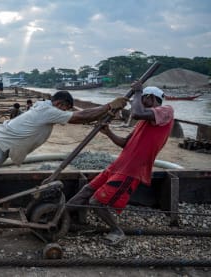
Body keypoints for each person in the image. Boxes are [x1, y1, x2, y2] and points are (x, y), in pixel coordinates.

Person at [0, 91, 128, 208]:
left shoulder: (43, 106)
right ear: (60, 104)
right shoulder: (48, 111)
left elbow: (81, 115)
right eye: (64, 109)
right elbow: (79, 117)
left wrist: (104, 111)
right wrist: (109, 106)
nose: (64, 112)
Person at [67, 82, 174, 245]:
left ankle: (117, 230)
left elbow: (137, 112)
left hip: (131, 171)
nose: (138, 103)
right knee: (86, 190)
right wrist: (108, 132)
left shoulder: (166, 111)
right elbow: (125, 143)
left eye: (142, 98)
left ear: (151, 98)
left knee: (96, 202)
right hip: (117, 166)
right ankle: (60, 215)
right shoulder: (143, 122)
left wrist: (137, 91)